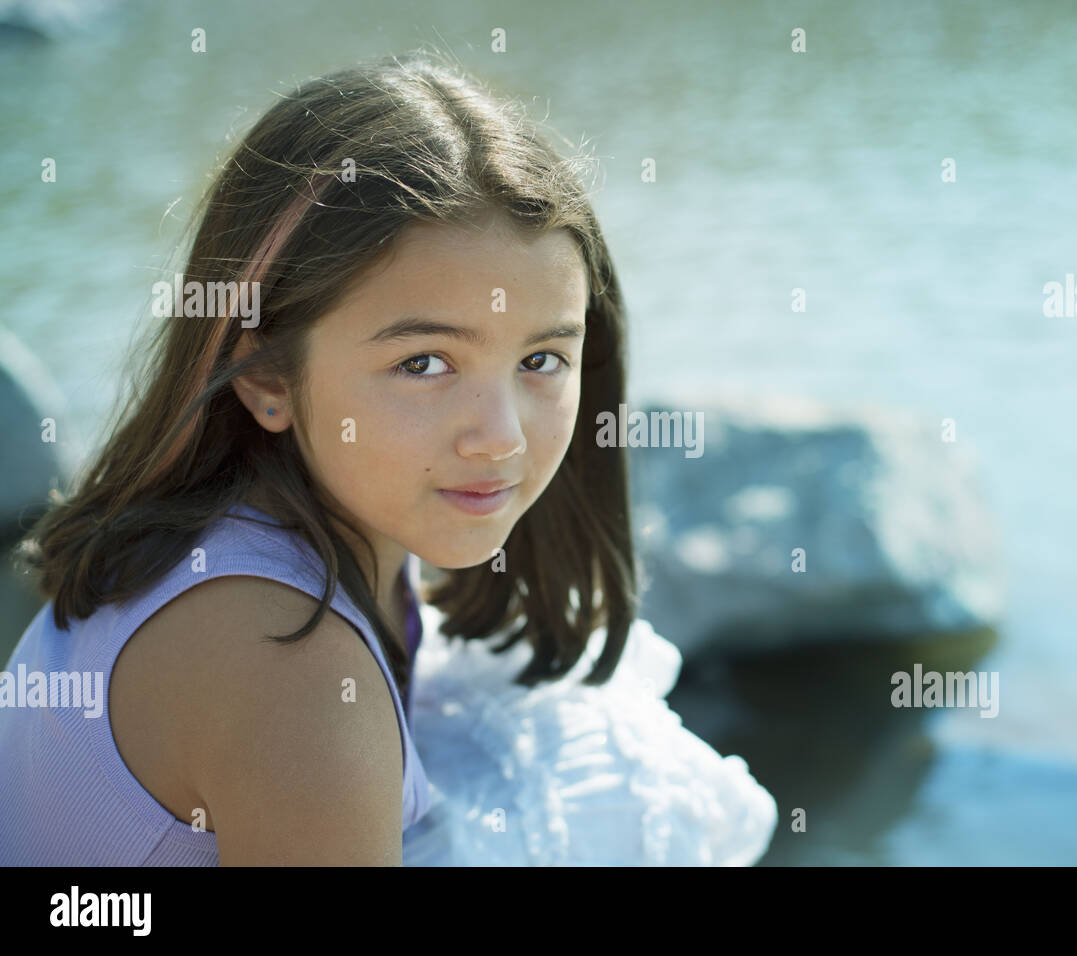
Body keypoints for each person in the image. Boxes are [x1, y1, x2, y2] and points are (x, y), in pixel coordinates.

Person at [0, 51, 776, 865]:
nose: (501, 435)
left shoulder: (287, 545)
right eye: (424, 364)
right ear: (267, 375)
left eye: (541, 360)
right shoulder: (288, 671)